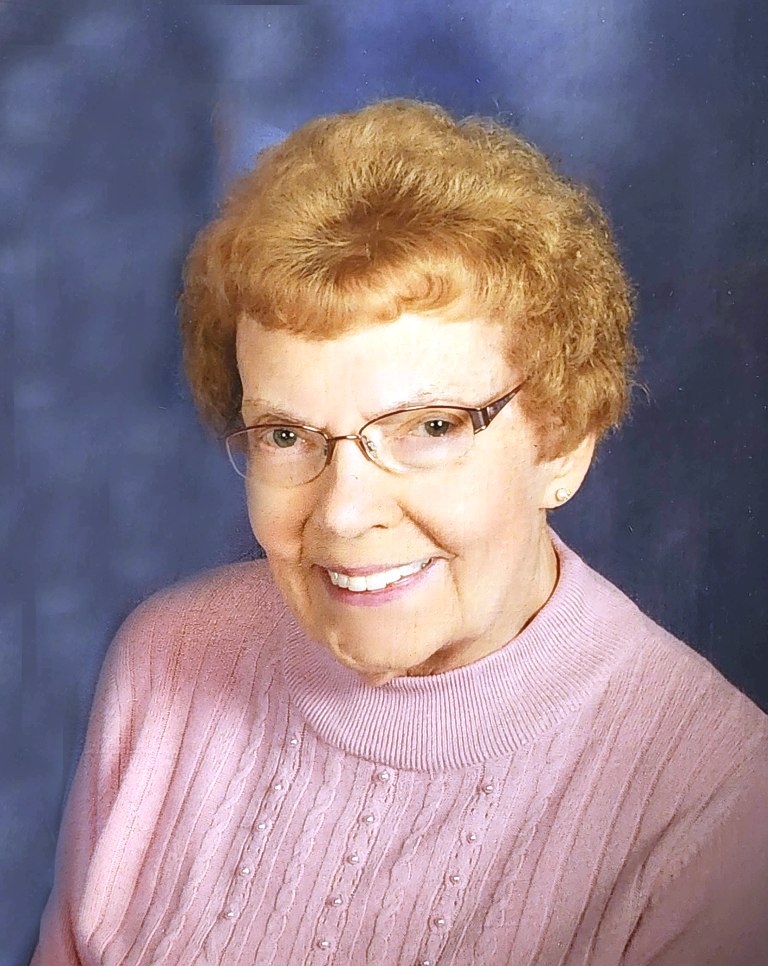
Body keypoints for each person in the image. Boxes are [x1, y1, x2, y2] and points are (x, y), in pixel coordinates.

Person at [33, 99, 767, 966]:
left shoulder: (720, 813)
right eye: (286, 435)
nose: (344, 513)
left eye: (430, 427)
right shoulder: (166, 660)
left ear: (563, 442)